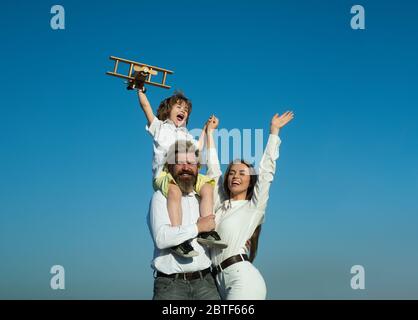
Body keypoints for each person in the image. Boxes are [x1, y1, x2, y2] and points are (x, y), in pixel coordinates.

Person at [205, 112, 294, 300]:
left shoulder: (253, 207)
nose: (235, 176)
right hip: (217, 282)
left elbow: (266, 172)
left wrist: (274, 132)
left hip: (242, 280)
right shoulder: (220, 206)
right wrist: (209, 134)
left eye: (242, 174)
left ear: (250, 181)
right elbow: (213, 170)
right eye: (232, 173)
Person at [137, 89, 227, 257]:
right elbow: (145, 106)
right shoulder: (160, 127)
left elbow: (198, 148)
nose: (183, 111)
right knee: (174, 191)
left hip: (187, 172)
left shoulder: (186, 134)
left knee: (207, 187)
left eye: (186, 110)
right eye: (178, 107)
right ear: (167, 110)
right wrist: (140, 90)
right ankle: (179, 239)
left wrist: (207, 129)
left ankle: (206, 230)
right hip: (165, 175)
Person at [147, 139, 221, 300]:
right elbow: (162, 238)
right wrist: (197, 228)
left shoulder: (203, 199)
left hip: (206, 283)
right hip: (171, 286)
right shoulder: (160, 197)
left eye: (190, 163)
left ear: (198, 167)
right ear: (170, 167)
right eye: (179, 163)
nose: (186, 167)